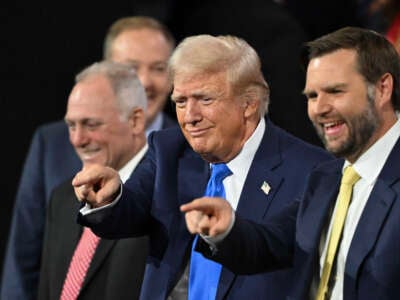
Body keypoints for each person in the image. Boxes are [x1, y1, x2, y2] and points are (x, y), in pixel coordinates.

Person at [72, 34, 332, 299]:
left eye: (205, 100)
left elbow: (275, 248)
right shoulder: (169, 150)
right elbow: (129, 211)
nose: (190, 117)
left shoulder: (312, 171)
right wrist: (110, 197)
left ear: (249, 104)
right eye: (181, 102)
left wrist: (227, 230)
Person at [181, 26, 400, 299]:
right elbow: (270, 244)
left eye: (335, 91)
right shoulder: (326, 179)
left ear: (382, 89)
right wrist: (226, 230)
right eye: (312, 96)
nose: (320, 108)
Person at [0, 15, 176, 300]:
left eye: (158, 68)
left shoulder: (192, 158)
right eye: (131, 69)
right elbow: (24, 263)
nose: (144, 82)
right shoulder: (52, 151)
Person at [37, 61, 148, 300]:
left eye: (91, 124)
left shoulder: (164, 196)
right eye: (71, 125)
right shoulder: (63, 197)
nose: (78, 139)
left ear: (136, 121)